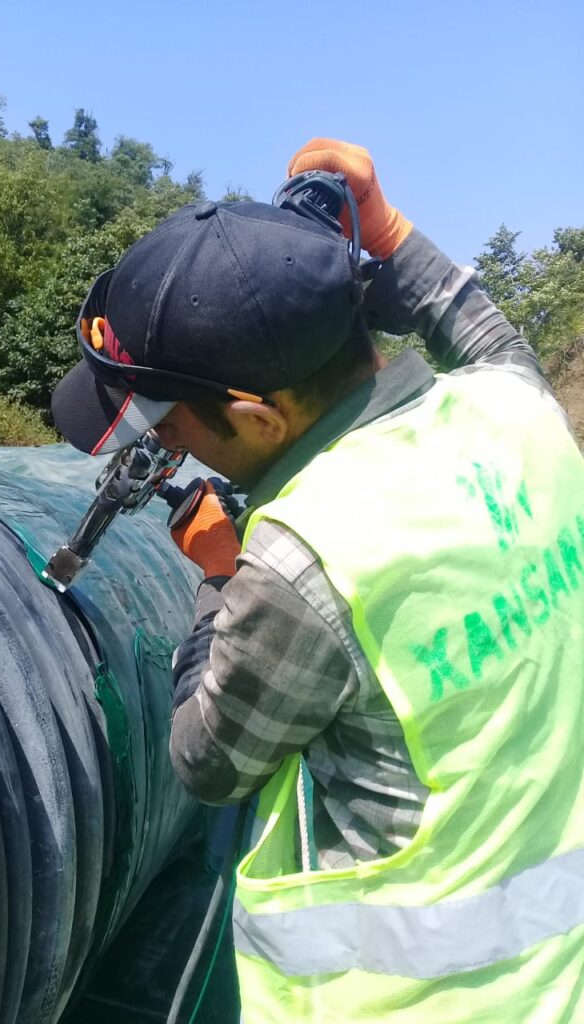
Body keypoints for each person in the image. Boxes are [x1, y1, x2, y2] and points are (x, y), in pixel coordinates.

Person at [51, 139, 584, 1023]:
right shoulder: (518, 410)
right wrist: (388, 228)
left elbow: (206, 761)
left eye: (167, 418)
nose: (169, 443)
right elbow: (481, 328)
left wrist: (222, 577)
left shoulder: (302, 561)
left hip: (412, 1000)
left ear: (261, 416)